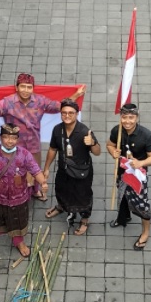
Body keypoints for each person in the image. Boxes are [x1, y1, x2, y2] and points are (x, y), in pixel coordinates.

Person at [0, 73, 86, 201]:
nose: (26, 90)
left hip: (34, 144)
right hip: (13, 147)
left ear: (33, 88)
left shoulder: (40, 101)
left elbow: (60, 107)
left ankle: (35, 191)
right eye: (23, 86)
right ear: (16, 87)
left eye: (29, 87)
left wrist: (77, 94)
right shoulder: (7, 102)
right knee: (16, 173)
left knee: (35, 171)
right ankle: (19, 195)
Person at [0, 123, 49, 263]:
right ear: (0, 138)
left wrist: (43, 182)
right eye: (6, 137)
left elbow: (35, 170)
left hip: (19, 198)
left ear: (17, 139)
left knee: (18, 222)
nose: (10, 141)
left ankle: (18, 241)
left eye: (13, 138)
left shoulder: (24, 154)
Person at [43, 99, 101, 235]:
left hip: (81, 172)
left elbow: (97, 152)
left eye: (71, 113)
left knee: (83, 195)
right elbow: (52, 149)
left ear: (77, 114)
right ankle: (62, 206)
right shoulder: (57, 129)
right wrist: (46, 168)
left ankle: (85, 219)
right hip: (64, 169)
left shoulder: (84, 131)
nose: (67, 116)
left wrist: (92, 143)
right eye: (64, 113)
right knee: (61, 189)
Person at [106, 103, 151, 250]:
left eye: (131, 117)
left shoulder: (147, 136)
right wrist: (113, 152)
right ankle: (123, 217)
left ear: (137, 117)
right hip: (122, 172)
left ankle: (145, 232)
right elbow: (109, 145)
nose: (127, 121)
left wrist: (141, 162)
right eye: (124, 117)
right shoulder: (117, 130)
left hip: (137, 176)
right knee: (122, 196)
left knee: (142, 204)